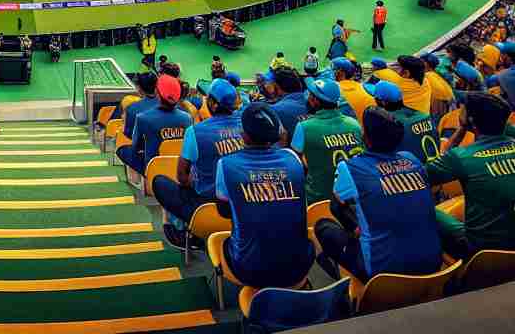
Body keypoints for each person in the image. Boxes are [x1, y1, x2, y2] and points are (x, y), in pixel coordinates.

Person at [314, 108, 443, 282]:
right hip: (432, 262)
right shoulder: (411, 159)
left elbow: (337, 206)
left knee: (324, 226)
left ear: (366, 138)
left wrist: (354, 227)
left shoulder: (351, 168)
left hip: (383, 272)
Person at [427, 93, 515, 259]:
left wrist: (460, 131)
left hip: (481, 251)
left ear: (471, 121)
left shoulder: (462, 157)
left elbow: (425, 177)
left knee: (426, 210)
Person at [215, 101, 313, 289]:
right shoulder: (293, 159)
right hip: (298, 267)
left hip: (250, 271)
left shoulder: (226, 165)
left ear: (244, 135)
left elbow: (224, 211)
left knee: (227, 238)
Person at [153, 78, 242, 249]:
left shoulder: (195, 131)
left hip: (205, 205)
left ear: (213, 104)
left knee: (160, 182)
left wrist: (194, 181)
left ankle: (182, 230)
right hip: (240, 204)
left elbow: (181, 176)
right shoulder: (247, 127)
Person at [294, 79, 362, 207]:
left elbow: (297, 161)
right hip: (353, 197)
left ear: (315, 101)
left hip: (318, 199)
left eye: (310, 95)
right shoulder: (354, 124)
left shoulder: (304, 127)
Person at [117, 75, 191, 175]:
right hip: (180, 167)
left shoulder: (142, 117)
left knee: (122, 150)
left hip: (153, 170)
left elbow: (136, 146)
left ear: (157, 92)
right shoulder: (187, 118)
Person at [370, 81, 441, 165]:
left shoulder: (390, 124)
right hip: (436, 167)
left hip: (414, 173)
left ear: (383, 102)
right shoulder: (425, 116)